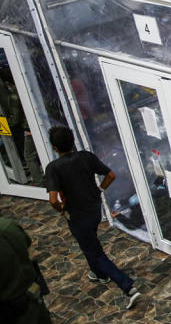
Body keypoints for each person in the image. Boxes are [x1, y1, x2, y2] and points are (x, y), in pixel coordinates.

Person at [43, 126, 140, 309]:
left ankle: (128, 287)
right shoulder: (86, 157)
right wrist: (100, 190)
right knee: (89, 244)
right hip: (95, 209)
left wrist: (61, 210)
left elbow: (53, 199)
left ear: (54, 147)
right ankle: (98, 274)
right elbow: (110, 175)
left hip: (77, 215)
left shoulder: (53, 168)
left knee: (95, 251)